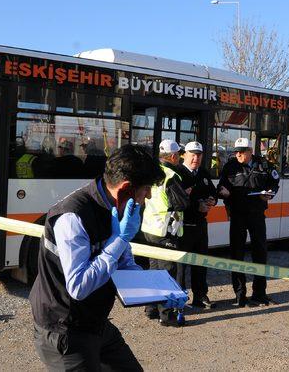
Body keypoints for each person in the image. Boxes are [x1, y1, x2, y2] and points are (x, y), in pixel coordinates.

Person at [29, 144, 187, 370]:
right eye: (146, 189)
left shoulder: (117, 209)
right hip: (64, 330)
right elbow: (79, 286)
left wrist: (159, 292)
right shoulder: (73, 217)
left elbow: (124, 265)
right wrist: (120, 240)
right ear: (125, 189)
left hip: (96, 324)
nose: (149, 196)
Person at [217, 137, 280, 307]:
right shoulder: (230, 166)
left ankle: (260, 294)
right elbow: (222, 186)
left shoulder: (263, 165)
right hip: (237, 215)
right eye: (236, 151)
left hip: (257, 215)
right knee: (236, 254)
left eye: (241, 151)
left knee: (260, 253)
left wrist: (270, 193)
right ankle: (240, 295)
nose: (237, 154)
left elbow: (274, 182)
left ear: (250, 151)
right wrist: (223, 192)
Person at [141, 139, 190, 326]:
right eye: (178, 154)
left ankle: (151, 308)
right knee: (167, 272)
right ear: (173, 156)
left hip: (149, 229)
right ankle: (167, 315)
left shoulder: (152, 172)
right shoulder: (170, 175)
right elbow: (181, 203)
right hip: (165, 231)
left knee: (154, 270)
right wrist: (188, 195)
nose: (179, 158)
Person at [175, 141, 218, 308]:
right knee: (180, 266)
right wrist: (196, 205)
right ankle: (179, 297)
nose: (195, 158)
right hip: (182, 225)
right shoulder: (177, 173)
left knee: (201, 263)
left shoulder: (204, 173)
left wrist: (212, 200)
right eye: (192, 154)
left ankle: (200, 296)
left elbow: (212, 191)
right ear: (184, 155)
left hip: (200, 224)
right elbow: (177, 200)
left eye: (199, 155)